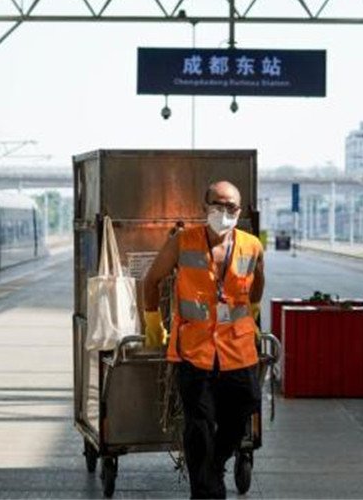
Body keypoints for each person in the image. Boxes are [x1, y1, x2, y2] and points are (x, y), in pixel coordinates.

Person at [142, 180, 264, 499]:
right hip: (194, 351)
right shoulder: (184, 242)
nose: (224, 212)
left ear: (240, 210)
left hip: (238, 351)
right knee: (198, 427)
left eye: (231, 207)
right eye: (217, 205)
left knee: (245, 408)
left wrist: (253, 309)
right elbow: (151, 280)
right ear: (204, 206)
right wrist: (153, 321)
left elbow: (259, 282)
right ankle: (205, 491)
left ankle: (214, 467)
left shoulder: (252, 245)